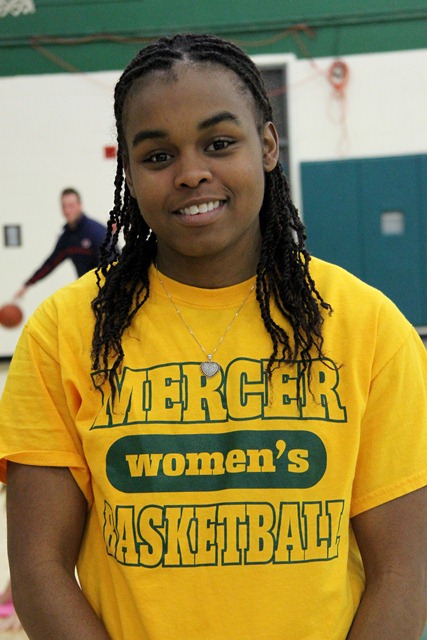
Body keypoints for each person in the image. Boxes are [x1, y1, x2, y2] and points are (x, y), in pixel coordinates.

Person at [0, 33, 426, 640]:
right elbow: (39, 568)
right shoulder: (65, 332)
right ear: (129, 173)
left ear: (268, 145)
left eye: (219, 143)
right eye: (157, 156)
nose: (191, 173)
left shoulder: (369, 327)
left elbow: (405, 572)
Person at [15, 187, 108, 298]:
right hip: (87, 293)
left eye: (71, 206)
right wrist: (28, 284)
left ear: (80, 205)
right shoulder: (67, 237)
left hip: (106, 291)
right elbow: (51, 263)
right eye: (64, 206)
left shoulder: (96, 232)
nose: (67, 211)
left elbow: (111, 264)